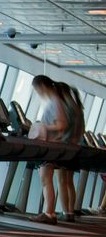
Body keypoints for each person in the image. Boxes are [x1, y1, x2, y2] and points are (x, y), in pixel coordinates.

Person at [28, 75, 67, 223]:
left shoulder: (55, 102)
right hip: (51, 145)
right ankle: (49, 212)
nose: (37, 92)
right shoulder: (54, 101)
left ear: (41, 86)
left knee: (46, 180)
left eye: (36, 89)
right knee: (46, 180)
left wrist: (42, 126)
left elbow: (61, 126)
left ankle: (49, 213)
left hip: (51, 146)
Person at [56, 82, 85, 219]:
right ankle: (70, 212)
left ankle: (65, 212)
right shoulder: (78, 108)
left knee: (61, 181)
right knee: (69, 182)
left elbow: (61, 128)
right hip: (75, 149)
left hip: (65, 148)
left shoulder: (64, 107)